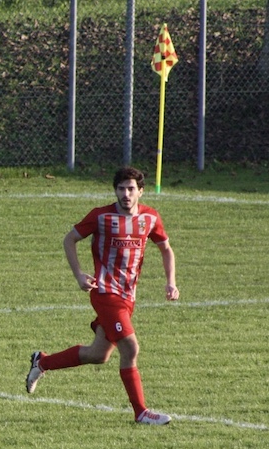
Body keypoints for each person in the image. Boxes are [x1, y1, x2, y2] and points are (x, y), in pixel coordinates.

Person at [25, 166, 179, 426]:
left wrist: (170, 282)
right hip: (105, 293)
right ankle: (141, 412)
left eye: (131, 189)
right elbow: (69, 240)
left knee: (98, 354)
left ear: (141, 191)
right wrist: (79, 275)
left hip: (128, 297)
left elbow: (166, 248)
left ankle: (43, 362)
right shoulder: (100, 217)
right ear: (115, 191)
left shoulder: (150, 218)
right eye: (121, 189)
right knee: (130, 347)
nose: (126, 194)